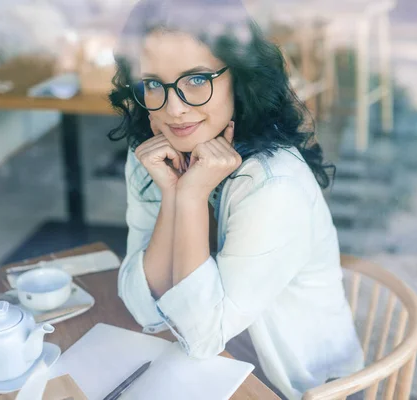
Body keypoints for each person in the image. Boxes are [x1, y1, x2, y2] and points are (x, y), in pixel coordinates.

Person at [106, 0, 364, 398]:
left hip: (296, 387)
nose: (174, 109)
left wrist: (191, 197)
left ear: (238, 78)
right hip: (211, 368)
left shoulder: (274, 183)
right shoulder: (153, 155)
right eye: (153, 84)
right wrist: (174, 196)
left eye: (196, 80)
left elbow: (201, 337)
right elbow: (145, 310)